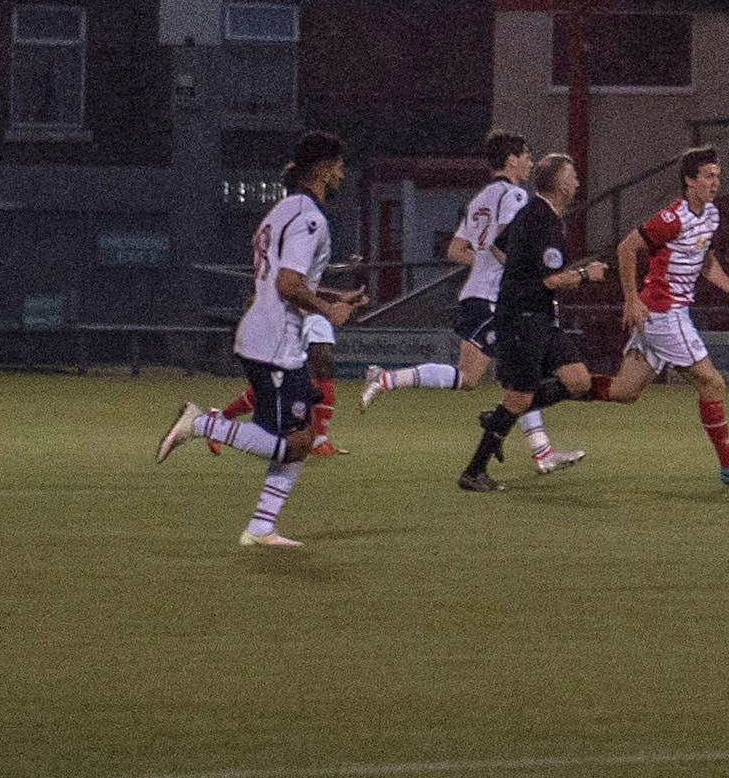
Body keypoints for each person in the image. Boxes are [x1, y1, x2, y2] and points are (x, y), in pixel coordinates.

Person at [159, 129, 359, 548]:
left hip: (265, 337)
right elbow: (288, 284)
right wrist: (329, 310)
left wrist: (330, 296)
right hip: (275, 345)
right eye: (338, 165)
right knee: (294, 444)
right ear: (322, 170)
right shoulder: (309, 218)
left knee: (299, 438)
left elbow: (276, 283)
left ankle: (261, 527)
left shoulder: (281, 211)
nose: (343, 173)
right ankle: (201, 423)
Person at [591, 147, 729, 485]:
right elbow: (626, 248)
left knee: (623, 392)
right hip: (664, 311)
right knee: (712, 382)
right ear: (689, 180)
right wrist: (630, 299)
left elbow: (707, 264)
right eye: (708, 176)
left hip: (666, 314)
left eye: (717, 176)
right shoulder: (671, 219)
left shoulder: (711, 215)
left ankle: (557, 388)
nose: (715, 182)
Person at [458, 151, 616, 490]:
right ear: (559, 184)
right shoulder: (544, 221)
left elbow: (500, 246)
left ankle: (501, 417)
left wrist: (518, 271)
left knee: (578, 380)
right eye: (572, 175)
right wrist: (588, 274)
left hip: (540, 317)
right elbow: (553, 280)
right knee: (519, 397)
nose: (577, 181)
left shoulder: (531, 212)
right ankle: (473, 472)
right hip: (522, 319)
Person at [357, 131, 535, 399]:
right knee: (517, 370)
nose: (531, 163)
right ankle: (386, 379)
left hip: (478, 294)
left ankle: (387, 378)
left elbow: (455, 250)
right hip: (492, 297)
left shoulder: (480, 199)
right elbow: (504, 242)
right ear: (511, 160)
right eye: (527, 157)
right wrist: (520, 268)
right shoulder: (516, 195)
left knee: (476, 376)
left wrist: (486, 262)